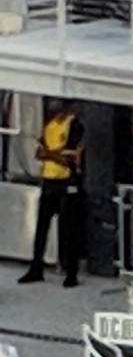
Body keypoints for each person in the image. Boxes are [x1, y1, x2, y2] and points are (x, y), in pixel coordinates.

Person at [18, 101, 85, 286]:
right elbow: (40, 154)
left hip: (66, 181)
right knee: (41, 227)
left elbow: (69, 158)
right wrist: (53, 154)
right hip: (48, 180)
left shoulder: (74, 124)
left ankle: (71, 273)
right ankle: (36, 268)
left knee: (69, 229)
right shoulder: (49, 126)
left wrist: (50, 154)